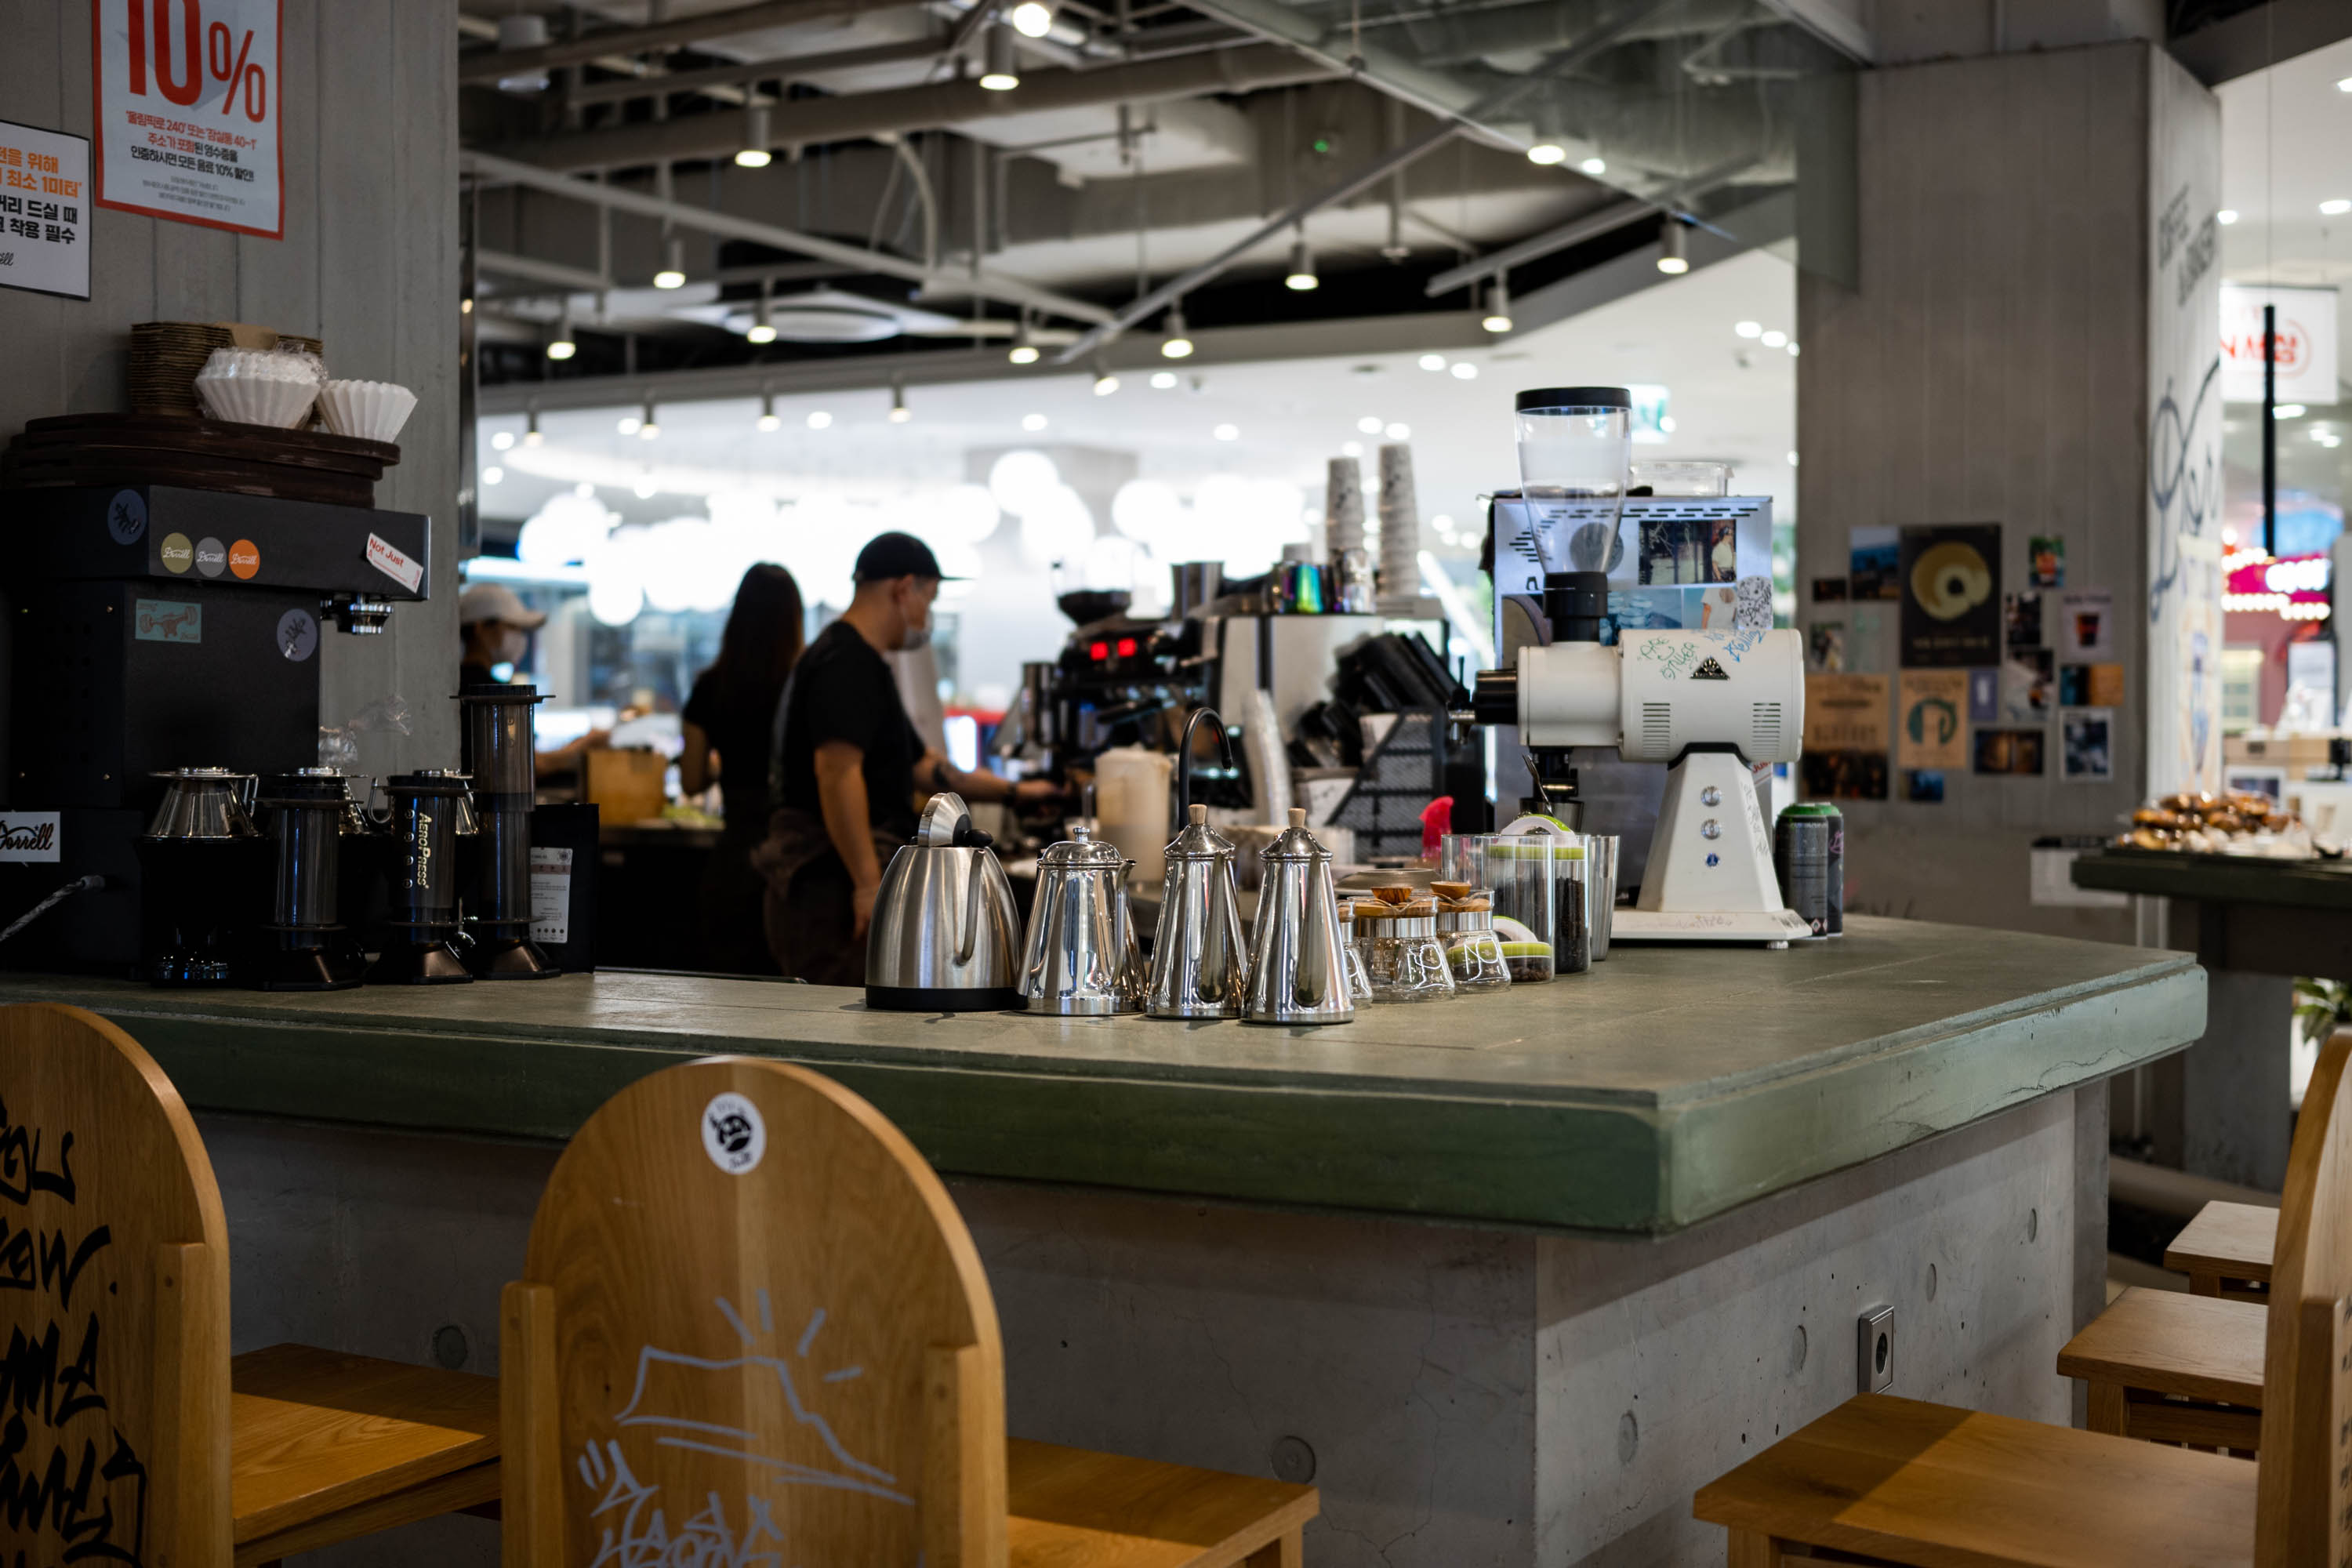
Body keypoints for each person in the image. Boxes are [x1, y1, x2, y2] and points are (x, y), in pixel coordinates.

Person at [754, 532, 1056, 985]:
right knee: (836, 1018)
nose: (926, 617)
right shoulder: (845, 661)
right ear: (903, 588)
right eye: (928, 599)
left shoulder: (861, 661)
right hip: (826, 887)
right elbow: (837, 773)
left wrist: (1018, 792)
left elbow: (923, 767)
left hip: (831, 881)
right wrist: (866, 885)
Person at [679, 564, 805, 975]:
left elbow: (691, 780)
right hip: (793, 862)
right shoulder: (803, 685)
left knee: (728, 989)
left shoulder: (710, 686)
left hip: (734, 860)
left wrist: (724, 768)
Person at [456, 583, 608, 779]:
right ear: (481, 628)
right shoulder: (487, 691)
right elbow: (522, 764)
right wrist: (579, 748)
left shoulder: (462, 680)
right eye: (513, 627)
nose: (520, 638)